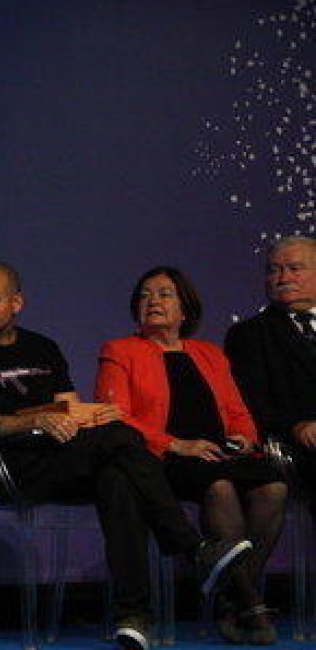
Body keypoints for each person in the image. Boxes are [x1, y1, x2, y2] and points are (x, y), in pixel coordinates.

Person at [0, 261, 251, 650]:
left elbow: (72, 410)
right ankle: (192, 549)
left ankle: (133, 617)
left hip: (64, 458)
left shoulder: (42, 346)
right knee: (119, 440)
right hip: (13, 468)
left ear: (17, 303)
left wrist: (88, 414)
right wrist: (40, 419)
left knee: (118, 473)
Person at [97, 266, 287, 644]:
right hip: (163, 457)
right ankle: (249, 604)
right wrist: (176, 444)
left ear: (185, 309)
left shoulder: (210, 353)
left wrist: (243, 439)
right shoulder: (120, 350)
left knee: (274, 489)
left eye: (165, 294)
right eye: (145, 295)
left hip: (218, 451)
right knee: (219, 487)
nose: (153, 301)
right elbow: (114, 417)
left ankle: (235, 598)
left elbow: (238, 411)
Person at [226, 236, 316, 511]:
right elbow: (252, 400)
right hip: (297, 442)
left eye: (294, 268)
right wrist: (297, 426)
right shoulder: (248, 335)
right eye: (274, 270)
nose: (282, 277)